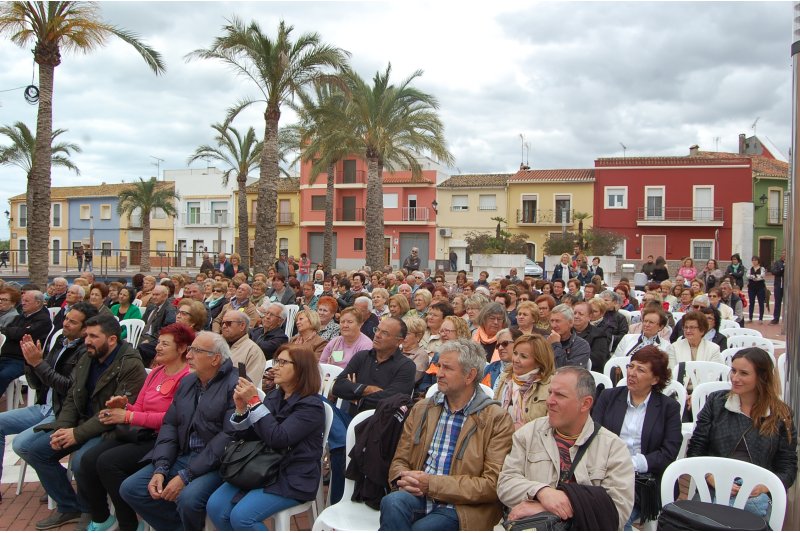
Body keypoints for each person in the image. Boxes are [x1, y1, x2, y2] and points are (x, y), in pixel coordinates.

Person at [19, 314, 146, 530]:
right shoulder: (87, 357)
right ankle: (69, 505)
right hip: (80, 422)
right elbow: (72, 397)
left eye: (93, 336)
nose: (86, 340)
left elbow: (112, 412)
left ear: (112, 339)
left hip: (110, 428)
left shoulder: (130, 364)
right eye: (86, 335)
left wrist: (76, 434)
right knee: (30, 448)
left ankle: (94, 512)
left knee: (81, 462)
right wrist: (62, 429)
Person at [380, 339, 514, 531]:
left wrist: (432, 484)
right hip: (421, 495)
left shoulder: (496, 419)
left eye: (447, 368)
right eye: (439, 366)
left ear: (470, 376)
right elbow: (400, 459)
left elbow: (492, 485)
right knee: (392, 502)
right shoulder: (423, 408)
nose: (439, 374)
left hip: (463, 507)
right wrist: (402, 477)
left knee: (421, 529)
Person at [76, 323, 193, 531]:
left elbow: (172, 419)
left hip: (163, 439)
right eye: (158, 342)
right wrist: (124, 406)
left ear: (182, 348)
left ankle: (129, 523)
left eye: (165, 344)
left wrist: (129, 416)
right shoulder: (157, 372)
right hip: (139, 433)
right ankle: (102, 518)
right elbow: (139, 406)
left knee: (108, 463)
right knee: (86, 460)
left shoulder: (187, 378)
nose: (157, 347)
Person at [119, 331, 238, 531]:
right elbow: (170, 425)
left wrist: (186, 476)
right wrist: (161, 467)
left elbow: (229, 437)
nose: (188, 356)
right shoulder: (188, 382)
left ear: (215, 359)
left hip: (218, 463)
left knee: (188, 499)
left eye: (196, 351)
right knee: (131, 488)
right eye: (190, 349)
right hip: (184, 454)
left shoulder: (234, 385)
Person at [497, 367, 635, 529]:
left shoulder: (613, 448)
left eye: (560, 395)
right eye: (550, 393)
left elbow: (618, 512)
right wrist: (542, 492)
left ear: (585, 404)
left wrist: (548, 508)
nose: (549, 401)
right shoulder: (528, 434)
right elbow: (505, 484)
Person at [206, 345, 324, 530]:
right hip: (259, 467)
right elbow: (252, 435)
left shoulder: (311, 406)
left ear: (301, 368)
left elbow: (278, 438)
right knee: (215, 506)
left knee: (242, 517)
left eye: (283, 362)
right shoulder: (275, 396)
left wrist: (254, 401)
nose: (275, 367)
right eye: (276, 361)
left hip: (291, 475)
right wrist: (241, 409)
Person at [688, 348, 797, 518]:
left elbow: (788, 467)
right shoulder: (717, 403)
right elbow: (696, 449)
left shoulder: (780, 415)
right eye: (733, 370)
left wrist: (764, 486)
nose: (735, 378)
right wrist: (710, 477)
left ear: (762, 377)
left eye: (744, 373)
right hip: (715, 485)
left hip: (756, 492)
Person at [0, 303, 97, 495]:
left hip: (62, 411)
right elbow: (37, 384)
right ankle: (55, 480)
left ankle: (66, 499)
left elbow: (69, 388)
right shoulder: (61, 340)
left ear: (85, 329)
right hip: (44, 406)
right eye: (66, 318)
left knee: (23, 445)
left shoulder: (86, 352)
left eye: (72, 321)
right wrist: (31, 363)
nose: (65, 323)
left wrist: (39, 363)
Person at [592, 346, 682, 529]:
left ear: (655, 379)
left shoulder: (668, 408)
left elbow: (669, 452)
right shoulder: (608, 397)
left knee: (613, 517)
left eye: (640, 370)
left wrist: (630, 464)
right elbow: (593, 435)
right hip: (605, 474)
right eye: (631, 366)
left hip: (644, 482)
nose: (631, 373)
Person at [331, 317, 416, 415]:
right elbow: (337, 386)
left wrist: (356, 397)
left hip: (379, 424)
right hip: (349, 418)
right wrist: (367, 389)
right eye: (377, 330)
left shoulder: (406, 366)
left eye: (384, 333)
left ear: (399, 341)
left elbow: (393, 401)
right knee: (320, 403)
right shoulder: (362, 356)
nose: (377, 335)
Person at [494, 334, 554, 429]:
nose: (516, 360)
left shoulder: (550, 385)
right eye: (515, 353)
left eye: (523, 356)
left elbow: (549, 426)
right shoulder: (506, 377)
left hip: (531, 440)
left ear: (539, 361)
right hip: (501, 435)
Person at [0, 290, 52, 395]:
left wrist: (14, 332)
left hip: (22, 360)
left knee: (3, 376)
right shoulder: (21, 317)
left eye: (27, 301)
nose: (23, 303)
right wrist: (14, 332)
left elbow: (21, 334)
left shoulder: (43, 320)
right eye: (23, 300)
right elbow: (9, 332)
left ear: (38, 303)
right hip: (6, 356)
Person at [137, 284, 177, 366]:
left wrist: (150, 340)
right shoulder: (151, 306)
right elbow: (143, 322)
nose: (154, 297)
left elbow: (166, 329)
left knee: (142, 348)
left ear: (165, 296)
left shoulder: (170, 309)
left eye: (157, 295)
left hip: (157, 339)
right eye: (153, 294)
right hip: (143, 335)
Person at [547, 304, 591, 369]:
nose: (553, 325)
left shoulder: (581, 345)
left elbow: (567, 372)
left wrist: (555, 345)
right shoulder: (545, 340)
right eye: (552, 321)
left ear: (570, 323)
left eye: (557, 321)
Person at [572, 301, 610, 373]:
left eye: (580, 314)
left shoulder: (598, 335)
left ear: (589, 317)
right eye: (574, 313)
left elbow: (599, 360)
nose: (576, 316)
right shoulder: (566, 331)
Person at [402, 316, 430, 385]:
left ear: (418, 336)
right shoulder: (395, 350)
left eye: (407, 334)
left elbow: (410, 379)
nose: (403, 336)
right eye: (402, 332)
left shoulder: (421, 355)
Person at [747, 255, 767, 324]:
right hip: (751, 287)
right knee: (751, 302)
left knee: (761, 303)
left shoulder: (762, 268)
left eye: (755, 260)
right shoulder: (750, 268)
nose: (754, 262)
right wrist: (754, 277)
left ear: (758, 261)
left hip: (760, 287)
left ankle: (760, 318)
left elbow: (762, 276)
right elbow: (748, 275)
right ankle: (750, 317)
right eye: (753, 260)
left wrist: (754, 277)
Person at [770, 249, 785, 324]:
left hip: (787, 286)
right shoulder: (777, 263)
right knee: (777, 302)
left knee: (788, 303)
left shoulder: (791, 262)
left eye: (785, 253)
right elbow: (773, 271)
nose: (784, 255)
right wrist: (781, 269)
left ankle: (787, 318)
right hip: (778, 285)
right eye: (783, 253)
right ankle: (776, 318)